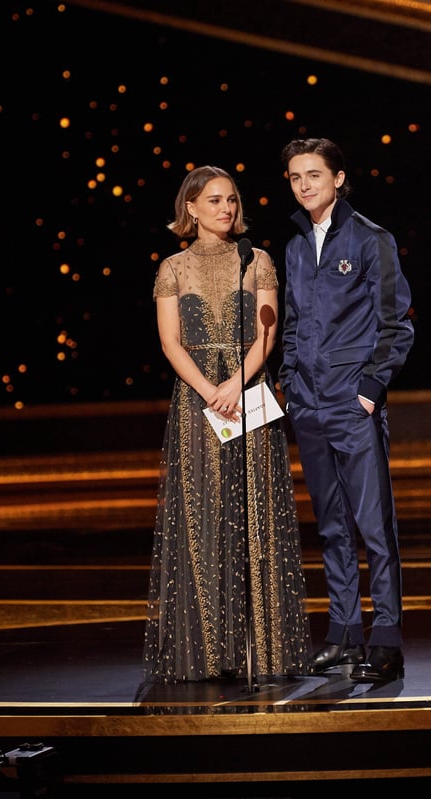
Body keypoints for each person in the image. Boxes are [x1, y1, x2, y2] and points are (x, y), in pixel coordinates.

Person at [141, 165, 310, 684]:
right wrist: (209, 390)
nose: (226, 209)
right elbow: (171, 342)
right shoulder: (172, 267)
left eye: (231, 200)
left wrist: (235, 383)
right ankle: (209, 651)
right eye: (214, 201)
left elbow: (268, 330)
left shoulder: (256, 260)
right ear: (190, 208)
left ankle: (267, 648)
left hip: (247, 391)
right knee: (204, 515)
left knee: (255, 512)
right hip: (199, 402)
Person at [278, 138, 415, 684]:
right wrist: (289, 382)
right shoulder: (292, 248)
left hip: (351, 403)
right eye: (294, 177)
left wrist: (369, 389)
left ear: (338, 178)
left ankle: (386, 636)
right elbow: (290, 324)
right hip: (307, 406)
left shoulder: (371, 239)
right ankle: (342, 634)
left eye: (314, 174)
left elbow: (397, 323)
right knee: (332, 526)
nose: (304, 185)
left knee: (373, 525)